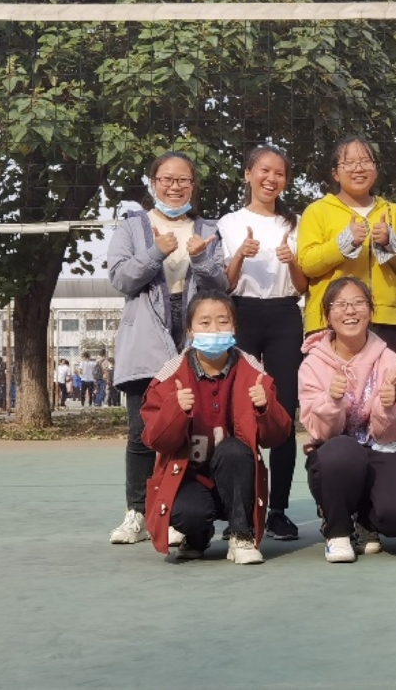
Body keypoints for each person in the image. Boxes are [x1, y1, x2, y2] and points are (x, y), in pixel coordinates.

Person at [107, 151, 227, 545]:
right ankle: (137, 512)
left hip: (194, 336)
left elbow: (221, 285)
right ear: (153, 183)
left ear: (193, 185)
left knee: (192, 428)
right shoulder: (132, 226)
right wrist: (156, 251)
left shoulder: (207, 228)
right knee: (142, 431)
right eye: (167, 179)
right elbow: (121, 279)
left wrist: (201, 258)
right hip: (146, 336)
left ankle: (180, 512)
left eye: (183, 180)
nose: (175, 187)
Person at [140, 291, 294, 563]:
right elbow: (154, 439)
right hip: (188, 477)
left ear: (234, 327)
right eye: (205, 322)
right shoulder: (170, 376)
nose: (214, 329)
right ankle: (197, 535)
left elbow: (277, 435)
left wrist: (265, 408)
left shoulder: (254, 372)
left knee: (234, 450)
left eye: (223, 321)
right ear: (190, 331)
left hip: (236, 477)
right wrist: (175, 410)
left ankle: (241, 535)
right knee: (189, 513)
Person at [298, 277, 396, 563]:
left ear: (371, 311)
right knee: (342, 451)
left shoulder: (389, 360)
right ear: (327, 315)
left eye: (359, 303)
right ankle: (338, 530)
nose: (350, 311)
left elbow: (386, 435)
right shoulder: (312, 364)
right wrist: (332, 401)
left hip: (380, 450)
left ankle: (366, 520)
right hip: (334, 456)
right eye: (340, 304)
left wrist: (390, 402)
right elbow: (320, 433)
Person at [217, 144, 308, 542]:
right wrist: (240, 254)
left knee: (283, 411)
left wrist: (292, 260)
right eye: (264, 171)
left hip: (285, 315)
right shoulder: (230, 222)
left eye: (279, 173)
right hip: (244, 314)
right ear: (248, 174)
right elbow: (225, 283)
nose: (271, 179)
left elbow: (302, 286)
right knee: (239, 410)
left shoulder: (295, 222)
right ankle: (239, 509)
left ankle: (279, 510)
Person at [298, 136, 396, 355]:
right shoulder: (316, 211)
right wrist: (343, 243)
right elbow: (307, 264)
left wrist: (391, 243)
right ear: (335, 173)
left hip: (384, 319)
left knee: (386, 378)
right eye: (349, 163)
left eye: (365, 162)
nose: (358, 169)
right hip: (329, 319)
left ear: (376, 170)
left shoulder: (395, 212)